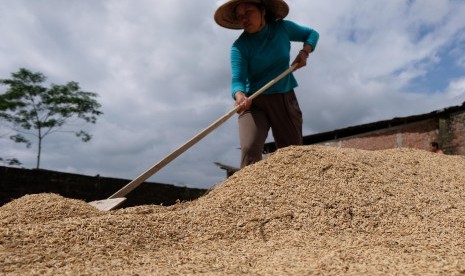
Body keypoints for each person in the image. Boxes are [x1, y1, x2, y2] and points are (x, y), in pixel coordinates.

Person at [214, 0, 319, 168]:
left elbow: (312, 34)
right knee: (249, 149)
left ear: (262, 10)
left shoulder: (282, 28)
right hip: (254, 103)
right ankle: (249, 193)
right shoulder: (239, 47)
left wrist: (305, 52)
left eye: (248, 12)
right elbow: (238, 80)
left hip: (283, 97)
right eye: (240, 16)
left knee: (292, 153)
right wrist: (239, 95)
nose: (244, 19)